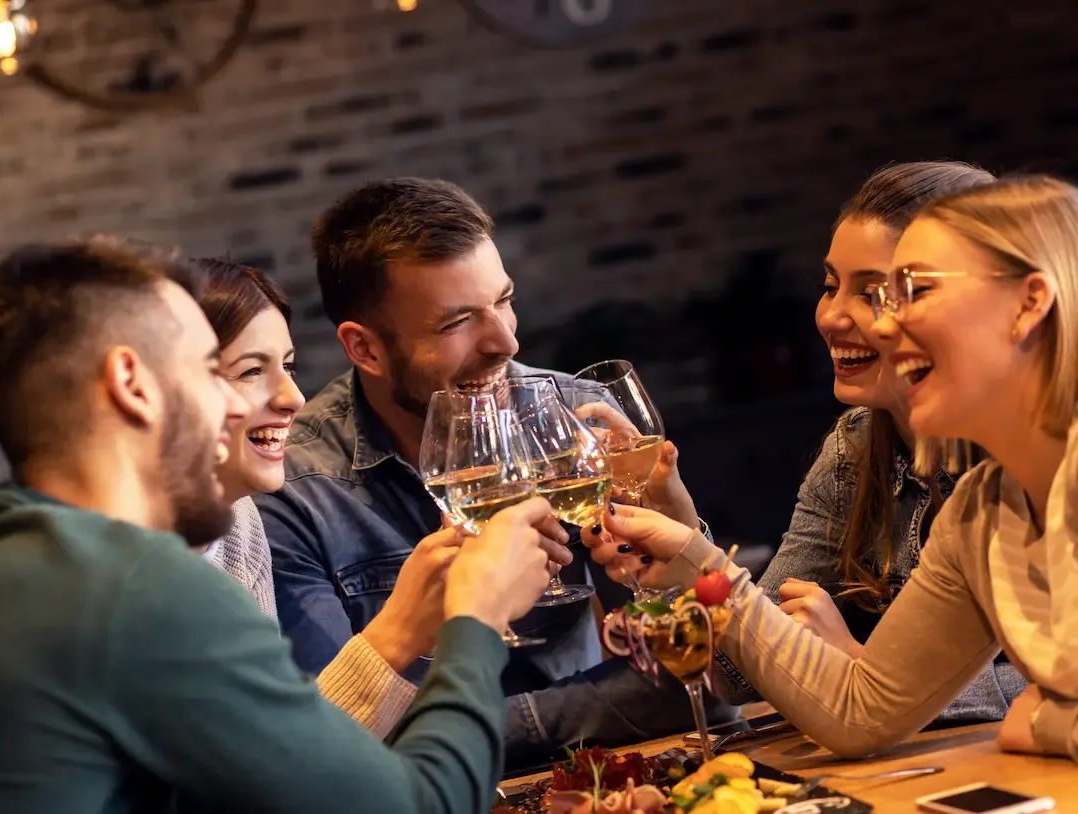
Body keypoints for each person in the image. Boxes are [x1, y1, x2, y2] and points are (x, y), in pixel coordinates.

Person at [0, 238, 561, 813]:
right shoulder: (137, 587)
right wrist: (475, 619)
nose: (240, 408)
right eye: (213, 370)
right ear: (133, 385)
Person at [582, 174, 1078, 761]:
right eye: (837, 288)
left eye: (914, 291)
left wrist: (1047, 720)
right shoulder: (983, 513)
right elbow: (859, 711)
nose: (884, 324)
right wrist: (695, 559)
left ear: (1029, 305)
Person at [256, 176, 734, 769]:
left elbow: (705, 679)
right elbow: (330, 739)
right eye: (457, 322)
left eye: (503, 300)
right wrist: (574, 713)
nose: (505, 342)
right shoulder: (292, 487)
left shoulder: (575, 421)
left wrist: (684, 549)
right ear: (365, 349)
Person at [710, 161, 1026, 724]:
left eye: (877, 293)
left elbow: (1052, 676)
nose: (833, 318)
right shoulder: (857, 446)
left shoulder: (1040, 449)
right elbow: (735, 673)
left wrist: (865, 673)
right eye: (830, 286)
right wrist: (675, 531)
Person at [196, 257, 557, 737]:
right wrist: (430, 626)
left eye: (288, 366)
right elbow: (279, 761)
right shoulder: (126, 577)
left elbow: (276, 744)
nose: (294, 397)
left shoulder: (237, 522)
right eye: (249, 371)